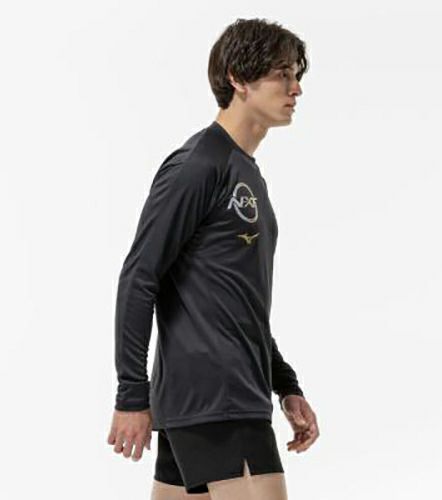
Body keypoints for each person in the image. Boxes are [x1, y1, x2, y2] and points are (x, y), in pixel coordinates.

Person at [107, 17, 320, 499]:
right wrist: (131, 394)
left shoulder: (246, 173)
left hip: (221, 397)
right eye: (283, 74)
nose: (296, 88)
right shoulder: (199, 165)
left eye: (296, 74)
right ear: (238, 79)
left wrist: (284, 383)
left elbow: (236, 302)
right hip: (217, 399)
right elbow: (139, 276)